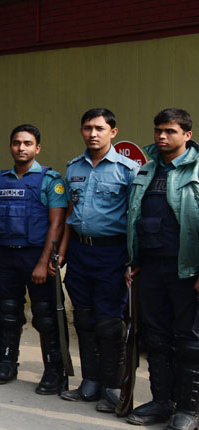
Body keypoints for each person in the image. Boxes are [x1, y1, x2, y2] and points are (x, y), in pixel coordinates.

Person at [125, 108, 199, 430]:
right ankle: (161, 401)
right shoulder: (148, 168)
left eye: (169, 131)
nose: (161, 137)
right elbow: (136, 216)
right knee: (155, 338)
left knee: (189, 342)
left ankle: (189, 409)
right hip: (151, 268)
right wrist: (134, 258)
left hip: (187, 270)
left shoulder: (196, 170)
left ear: (187, 133)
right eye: (158, 131)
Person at [59, 108, 140, 412]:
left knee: (108, 323)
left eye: (100, 128)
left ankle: (112, 385)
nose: (93, 133)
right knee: (83, 317)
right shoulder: (73, 168)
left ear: (113, 132)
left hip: (112, 252)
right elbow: (70, 213)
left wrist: (132, 260)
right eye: (88, 128)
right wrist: (64, 250)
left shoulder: (128, 170)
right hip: (80, 251)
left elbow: (135, 218)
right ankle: (89, 381)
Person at [0, 124, 69, 392]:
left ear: (37, 148)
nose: (22, 148)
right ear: (10, 146)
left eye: (28, 143)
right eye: (17, 143)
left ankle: (54, 371)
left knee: (46, 316)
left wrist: (45, 262)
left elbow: (57, 224)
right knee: (7, 313)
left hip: (36, 256)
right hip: (6, 256)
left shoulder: (50, 180)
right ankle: (8, 363)